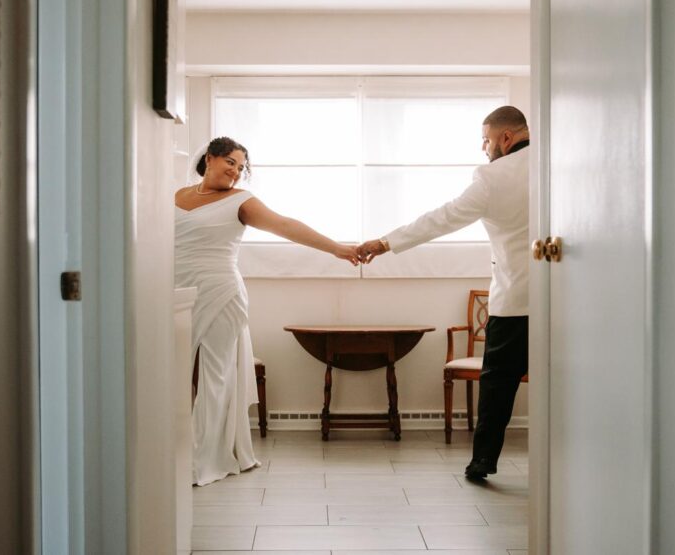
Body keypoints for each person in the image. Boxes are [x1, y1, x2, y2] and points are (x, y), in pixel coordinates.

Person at [356, 106, 530, 481]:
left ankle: (483, 461)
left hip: (515, 300)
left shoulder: (492, 176)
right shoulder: (563, 165)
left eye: (485, 140)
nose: (483, 148)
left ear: (505, 138)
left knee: (497, 385)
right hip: (566, 301)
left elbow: (443, 218)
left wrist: (385, 243)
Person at [175, 136, 359, 485]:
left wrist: (336, 249)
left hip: (221, 292)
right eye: (230, 162)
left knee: (216, 376)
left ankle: (205, 458)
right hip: (177, 292)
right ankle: (173, 451)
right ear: (210, 158)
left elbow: (285, 225)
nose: (235, 172)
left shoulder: (240, 201)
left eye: (241, 167)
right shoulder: (175, 196)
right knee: (171, 372)